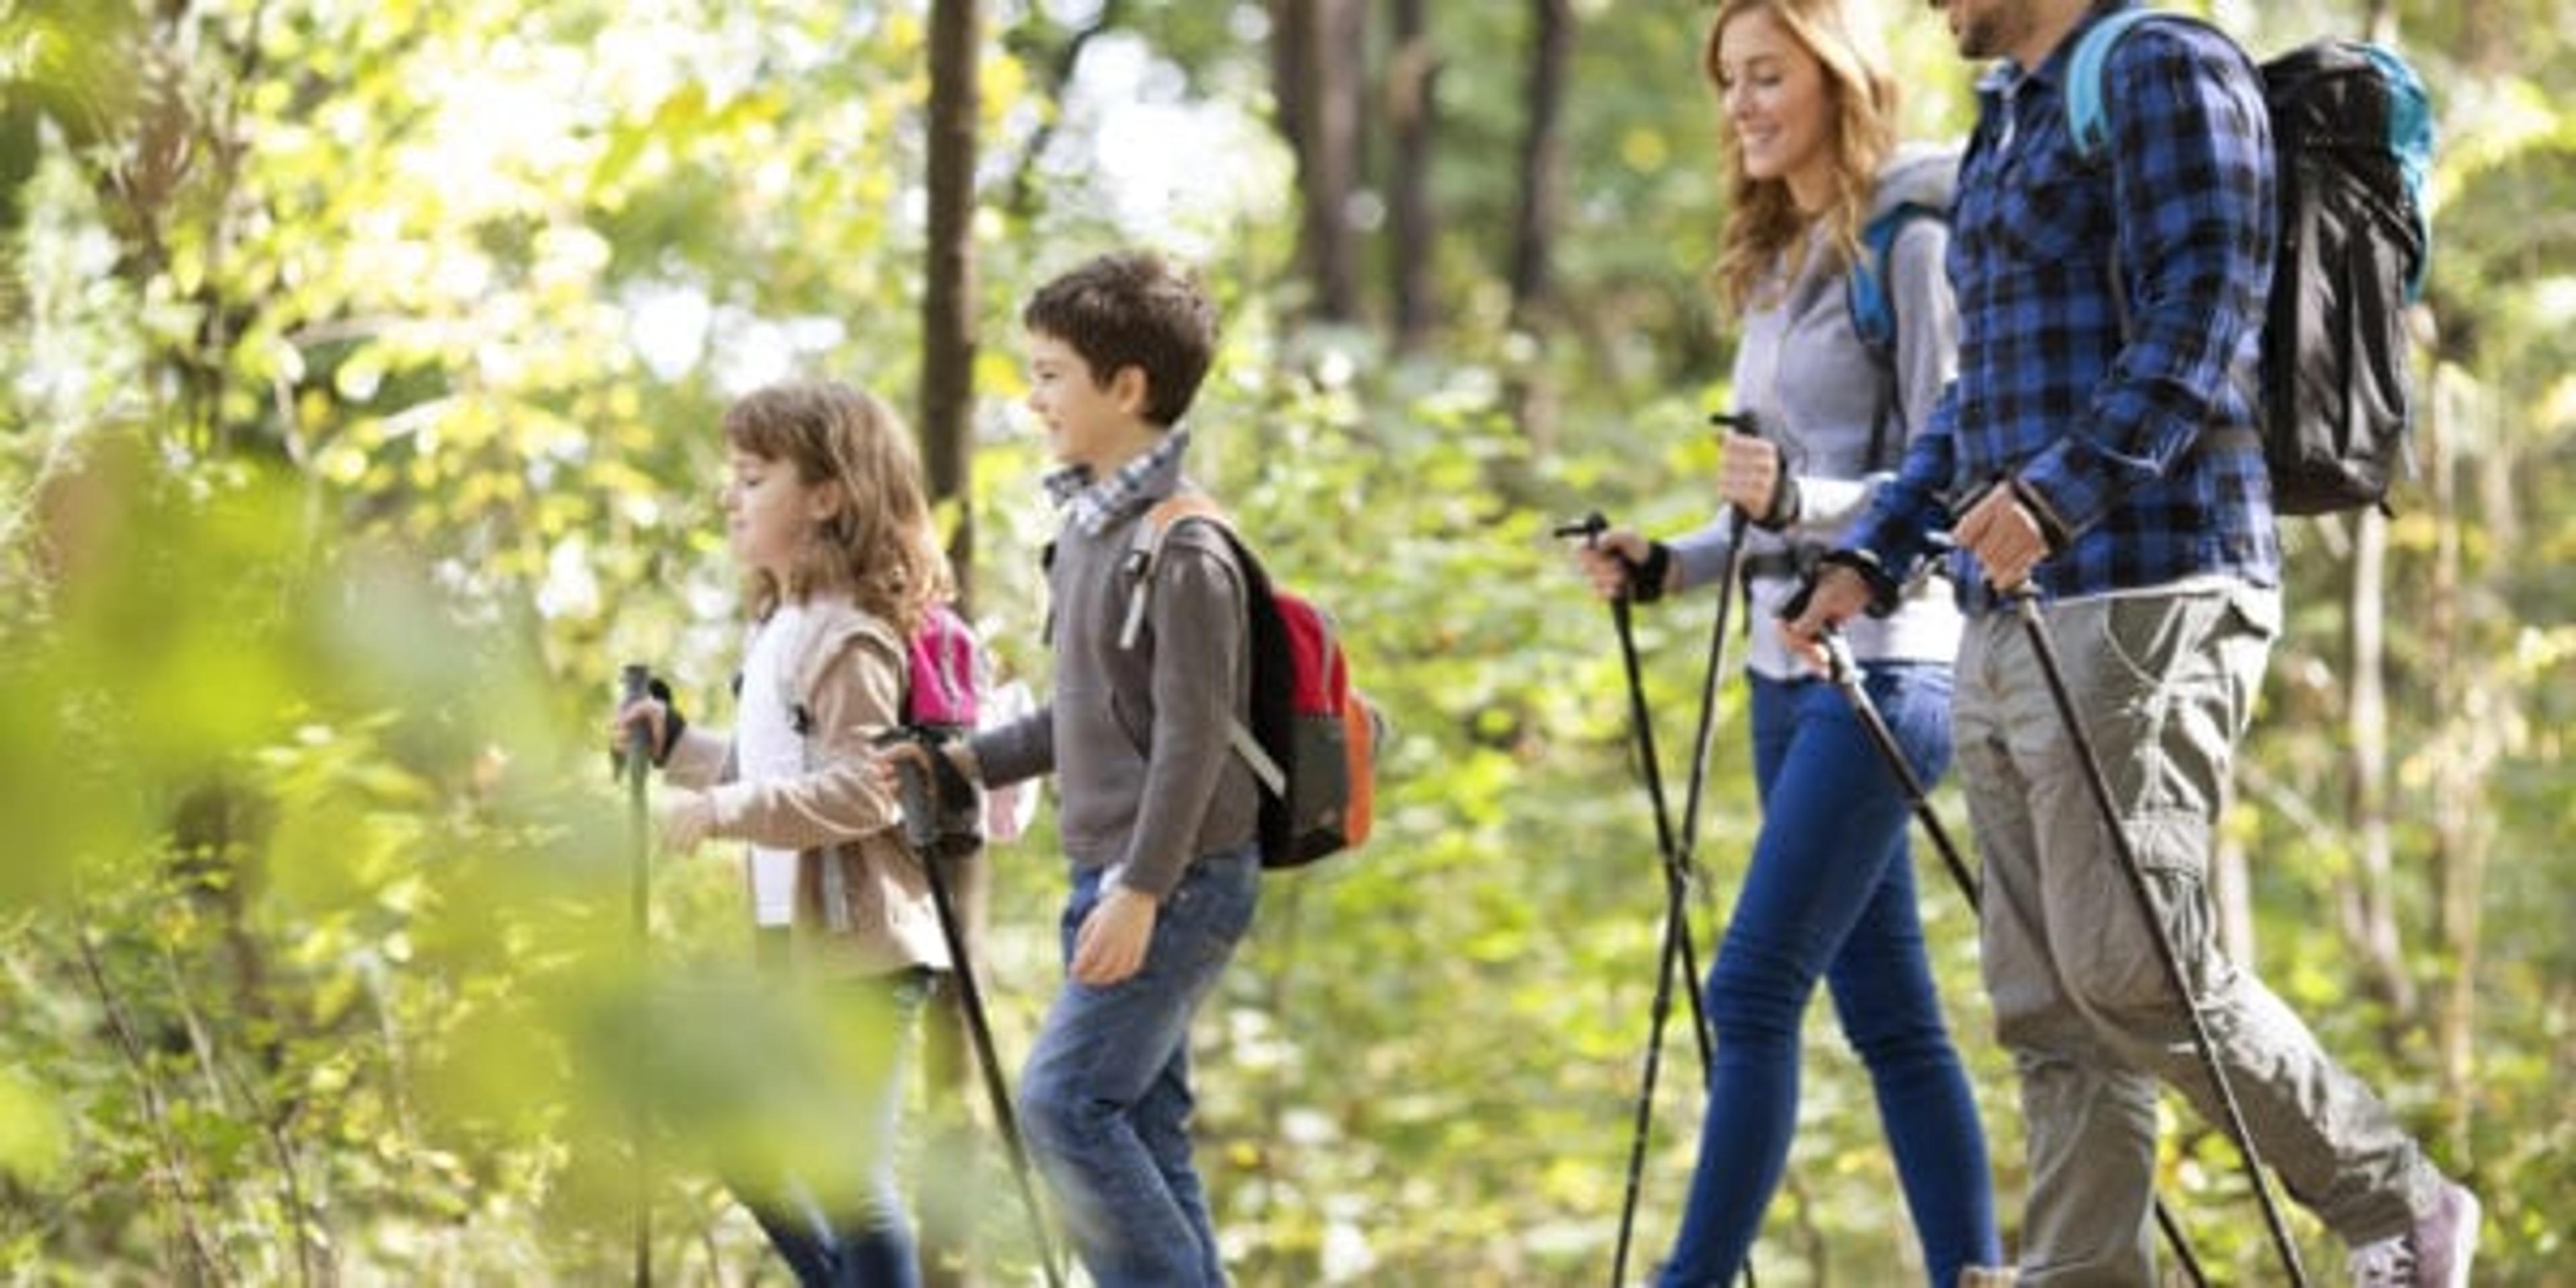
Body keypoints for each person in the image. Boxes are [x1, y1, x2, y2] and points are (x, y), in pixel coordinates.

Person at [1782, 2, 2480, 1284]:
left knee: (2135, 967)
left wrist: (2060, 493)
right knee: (2048, 1009)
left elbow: (2209, 304)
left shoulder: (2161, 65)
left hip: (2155, 579)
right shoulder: (2008, 120)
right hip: (2012, 608)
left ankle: (2402, 1202)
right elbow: (1975, 395)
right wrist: (1869, 551)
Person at [1572, 3, 2004, 1283]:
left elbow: (1949, 461)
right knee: (1894, 1022)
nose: (1742, 104)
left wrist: (1796, 504)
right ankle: (1971, 1273)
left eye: (1767, 75)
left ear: (1838, 76)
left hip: (1891, 664)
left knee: (1752, 992)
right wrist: (1672, 562)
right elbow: (1762, 501)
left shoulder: (1910, 239)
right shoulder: (1777, 260)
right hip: (1781, 672)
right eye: (1728, 82)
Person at [892, 250, 1260, 1287]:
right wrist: (964, 758)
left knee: (1063, 1107)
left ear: (1128, 387)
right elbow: (1087, 714)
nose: (1034, 395)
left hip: (1171, 879)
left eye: (1052, 373)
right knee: (1144, 1127)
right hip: (1114, 873)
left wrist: (1142, 891)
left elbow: (1193, 733)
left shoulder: (1183, 547)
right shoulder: (1091, 530)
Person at [614, 378, 957, 1287]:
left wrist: (725, 813)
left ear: (828, 495)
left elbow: (866, 792)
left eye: (755, 476)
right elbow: (775, 774)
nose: (732, 494)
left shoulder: (848, 634)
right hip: (797, 945)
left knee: (849, 1181)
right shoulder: (781, 624)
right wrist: (681, 747)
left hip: (865, 946)